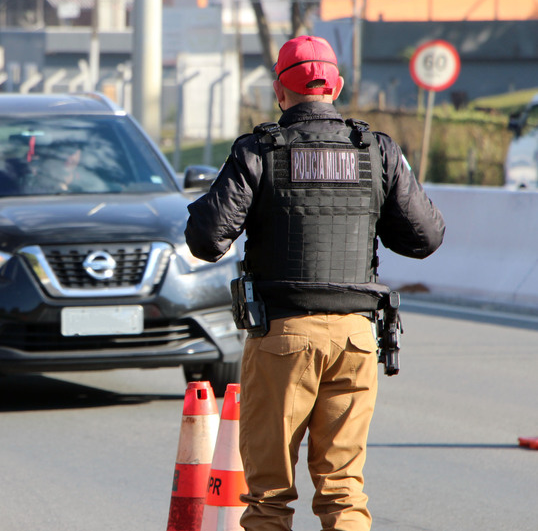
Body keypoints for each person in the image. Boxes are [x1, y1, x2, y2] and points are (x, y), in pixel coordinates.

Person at [184, 35, 445, 531]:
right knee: (345, 494)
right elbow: (425, 237)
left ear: (280, 93)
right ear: (337, 86)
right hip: (355, 338)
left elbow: (205, 237)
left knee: (268, 499)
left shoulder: (259, 150)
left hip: (283, 338)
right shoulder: (376, 149)